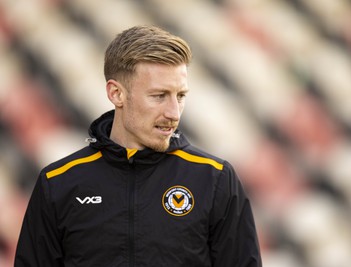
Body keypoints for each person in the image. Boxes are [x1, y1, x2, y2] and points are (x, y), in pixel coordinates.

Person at [15, 25, 262, 267]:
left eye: (181, 96)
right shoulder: (59, 182)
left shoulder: (215, 179)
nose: (174, 112)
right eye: (159, 96)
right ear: (116, 94)